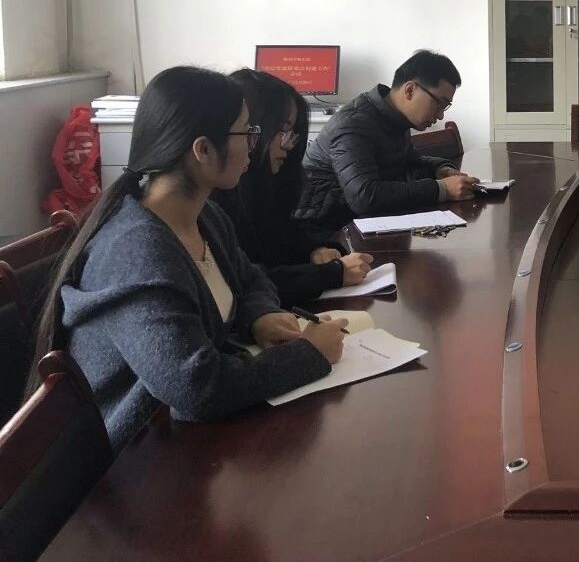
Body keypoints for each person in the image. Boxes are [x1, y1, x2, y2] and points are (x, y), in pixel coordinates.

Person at [28, 66, 344, 451]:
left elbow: (251, 277)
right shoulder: (137, 252)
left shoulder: (206, 216)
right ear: (203, 150)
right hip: (133, 460)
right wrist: (309, 353)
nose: (254, 144)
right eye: (247, 132)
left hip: (186, 437)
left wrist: (259, 315)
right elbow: (197, 388)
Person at [211, 69, 372, 306]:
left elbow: (283, 234)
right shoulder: (216, 199)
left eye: (293, 133)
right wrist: (331, 274)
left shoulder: (264, 185)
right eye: (282, 130)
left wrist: (315, 249)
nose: (289, 145)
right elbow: (244, 283)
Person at [295, 50, 479, 230]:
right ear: (410, 90)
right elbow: (364, 196)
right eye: (439, 103)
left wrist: (440, 169)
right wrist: (442, 190)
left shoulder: (394, 117)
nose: (440, 115)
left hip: (364, 222)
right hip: (322, 228)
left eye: (445, 106)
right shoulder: (354, 124)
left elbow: (409, 160)